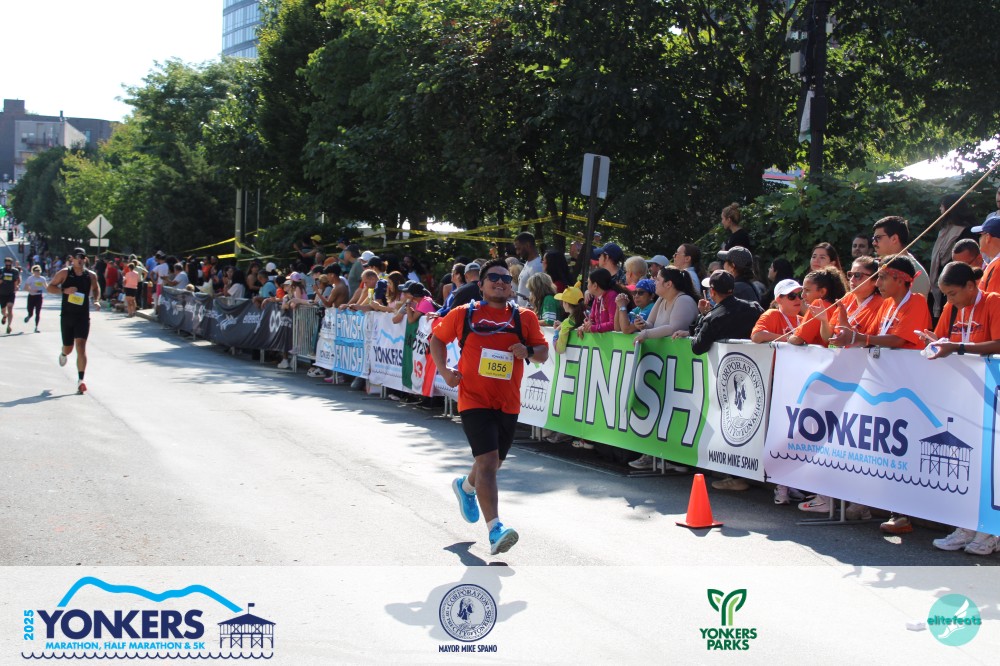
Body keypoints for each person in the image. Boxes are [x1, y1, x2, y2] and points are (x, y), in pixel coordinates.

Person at [430, 259, 548, 555]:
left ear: (511, 287)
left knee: (492, 464)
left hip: (508, 402)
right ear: (480, 285)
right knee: (487, 461)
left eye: (506, 279)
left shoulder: (525, 318)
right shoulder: (464, 313)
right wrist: (444, 371)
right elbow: (437, 340)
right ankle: (496, 529)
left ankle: (466, 487)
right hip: (474, 399)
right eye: (493, 277)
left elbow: (543, 353)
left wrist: (527, 350)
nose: (500, 282)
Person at [918, 261, 1000, 555]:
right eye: (946, 295)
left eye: (953, 294)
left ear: (971, 286)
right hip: (963, 396)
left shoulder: (994, 302)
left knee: (991, 466)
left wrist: (958, 348)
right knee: (970, 465)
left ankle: (990, 532)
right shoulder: (952, 308)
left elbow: (998, 344)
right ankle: (967, 526)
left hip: (991, 396)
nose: (949, 301)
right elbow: (945, 339)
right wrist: (935, 343)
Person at [47, 248, 100, 394]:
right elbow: (50, 287)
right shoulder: (64, 273)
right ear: (72, 259)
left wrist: (96, 300)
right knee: (68, 348)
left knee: (81, 346)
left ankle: (80, 381)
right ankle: (63, 353)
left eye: (82, 257)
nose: (80, 260)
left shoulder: (91, 275)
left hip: (82, 316)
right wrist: (64, 291)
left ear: (85, 259)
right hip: (67, 316)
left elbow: (96, 288)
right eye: (77, 257)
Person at [633, 267, 699, 344]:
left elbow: (674, 328)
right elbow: (650, 323)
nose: (654, 283)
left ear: (668, 284)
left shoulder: (684, 300)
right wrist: (643, 324)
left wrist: (646, 334)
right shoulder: (661, 299)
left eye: (658, 280)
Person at [871, 216, 931, 300]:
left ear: (894, 239)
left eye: (878, 238)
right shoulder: (883, 265)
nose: (874, 243)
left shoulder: (914, 273)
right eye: (873, 238)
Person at [787, 267, 848, 347]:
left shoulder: (818, 305)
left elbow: (797, 339)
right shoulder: (838, 306)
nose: (802, 295)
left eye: (807, 290)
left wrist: (788, 337)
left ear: (822, 291)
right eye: (803, 290)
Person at [750, 279, 802, 343]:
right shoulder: (773, 315)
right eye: (792, 296)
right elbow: (756, 336)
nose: (798, 299)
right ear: (779, 300)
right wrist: (788, 338)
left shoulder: (803, 320)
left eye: (799, 295)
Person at [580, 268, 629, 334]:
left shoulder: (612, 296)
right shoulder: (597, 297)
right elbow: (592, 320)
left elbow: (613, 324)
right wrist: (585, 326)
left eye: (588, 282)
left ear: (595, 285)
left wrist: (593, 328)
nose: (587, 286)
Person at [513, 232, 542, 307]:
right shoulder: (528, 263)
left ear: (527, 245)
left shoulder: (537, 266)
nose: (517, 252)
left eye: (519, 248)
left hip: (530, 311)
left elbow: (538, 294)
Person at [973, 216, 1000, 294]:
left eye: (980, 235)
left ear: (988, 238)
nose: (979, 239)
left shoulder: (998, 267)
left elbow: (994, 299)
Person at [22, 264, 47, 332]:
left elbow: (46, 287)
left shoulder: (42, 279)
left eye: (38, 270)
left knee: (38, 312)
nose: (37, 272)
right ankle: (29, 316)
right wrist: (31, 290)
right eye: (35, 271)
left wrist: (51, 288)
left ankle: (36, 327)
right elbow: (25, 288)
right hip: (31, 296)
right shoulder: (30, 278)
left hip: (39, 297)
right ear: (33, 272)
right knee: (30, 312)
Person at [1, 255, 21, 333]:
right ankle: (5, 315)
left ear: (11, 264)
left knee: (10, 307)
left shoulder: (15, 271)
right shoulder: (1, 270)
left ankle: (9, 326)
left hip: (11, 292)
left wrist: (17, 286)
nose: (8, 266)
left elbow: (17, 280)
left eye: (9, 265)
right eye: (7, 265)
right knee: (3, 310)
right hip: (2, 292)